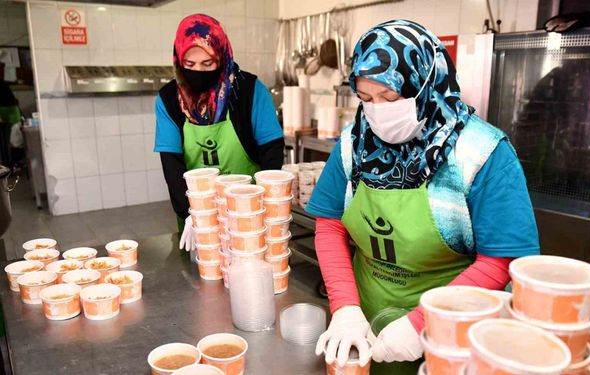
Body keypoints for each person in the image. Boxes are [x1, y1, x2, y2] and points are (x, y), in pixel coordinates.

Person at [306, 20, 540, 374]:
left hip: (453, 327)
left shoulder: (481, 153)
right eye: (366, 99)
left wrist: (423, 320)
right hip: (367, 322)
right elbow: (330, 225)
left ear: (428, 85)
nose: (377, 112)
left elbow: (501, 261)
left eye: (390, 97)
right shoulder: (355, 144)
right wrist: (345, 308)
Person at [154, 14, 284, 250]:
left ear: (222, 57)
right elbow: (171, 163)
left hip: (248, 210)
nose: (197, 73)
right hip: (197, 213)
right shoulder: (169, 99)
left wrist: (262, 205)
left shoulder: (249, 91)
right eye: (189, 65)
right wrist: (189, 213)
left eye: (207, 64)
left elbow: (272, 152)